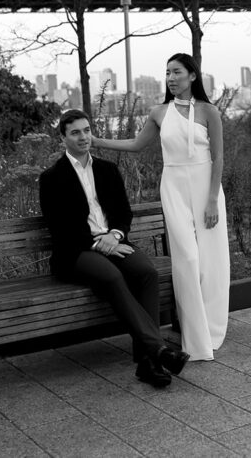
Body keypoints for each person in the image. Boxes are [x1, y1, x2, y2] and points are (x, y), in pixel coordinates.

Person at [92, 53, 230, 361]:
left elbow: (218, 158)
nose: (170, 77)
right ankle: (195, 341)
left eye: (176, 72)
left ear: (192, 76)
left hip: (206, 186)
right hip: (174, 187)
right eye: (167, 72)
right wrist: (97, 141)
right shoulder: (159, 112)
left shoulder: (209, 112)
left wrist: (211, 201)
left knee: (212, 260)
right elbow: (137, 146)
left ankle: (212, 328)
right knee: (187, 259)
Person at [39, 109, 189, 388]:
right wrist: (100, 243)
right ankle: (157, 351)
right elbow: (59, 228)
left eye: (86, 130)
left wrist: (115, 235)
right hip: (76, 252)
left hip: (113, 241)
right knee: (112, 276)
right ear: (63, 138)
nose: (83, 137)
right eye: (75, 132)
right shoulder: (51, 178)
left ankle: (148, 362)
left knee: (146, 272)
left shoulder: (107, 169)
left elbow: (123, 212)